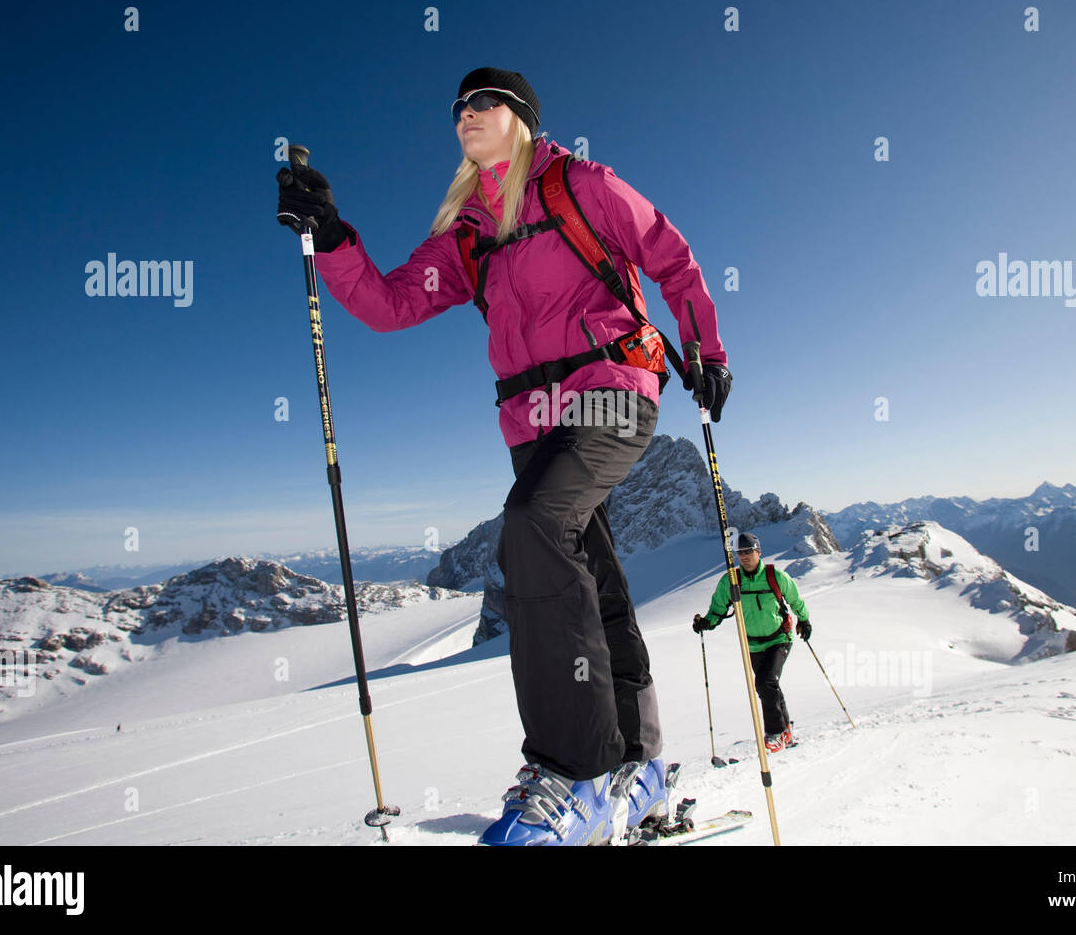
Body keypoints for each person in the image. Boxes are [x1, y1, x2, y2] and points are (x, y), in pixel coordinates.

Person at [276, 67, 731, 845]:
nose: (465, 115)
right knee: (592, 574)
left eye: (483, 103)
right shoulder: (466, 234)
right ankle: (638, 762)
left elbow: (670, 254)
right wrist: (332, 237)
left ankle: (576, 772)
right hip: (530, 422)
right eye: (457, 107)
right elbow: (390, 305)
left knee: (533, 527)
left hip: (613, 390)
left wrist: (706, 346)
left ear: (521, 118)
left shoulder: (580, 184)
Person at [694, 532, 810, 751]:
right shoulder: (731, 580)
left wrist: (804, 620)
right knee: (769, 686)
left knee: (765, 683)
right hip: (753, 644)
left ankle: (775, 733)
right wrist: (706, 623)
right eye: (740, 553)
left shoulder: (774, 575)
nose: (744, 557)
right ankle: (786, 730)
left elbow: (795, 599)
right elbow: (718, 608)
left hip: (779, 638)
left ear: (758, 552)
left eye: (749, 552)